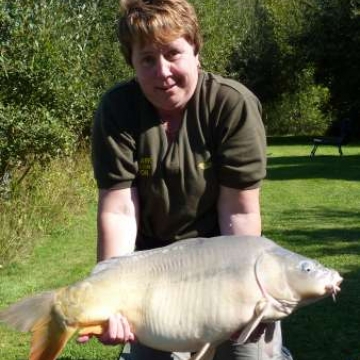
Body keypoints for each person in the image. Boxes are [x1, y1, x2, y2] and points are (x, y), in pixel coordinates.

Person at [81, 0, 292, 359]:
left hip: (222, 263)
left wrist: (246, 291)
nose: (162, 71)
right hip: (150, 271)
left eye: (173, 53)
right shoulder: (117, 109)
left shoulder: (232, 105)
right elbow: (118, 212)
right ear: (131, 63)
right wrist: (109, 296)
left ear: (195, 49)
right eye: (147, 59)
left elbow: (238, 212)